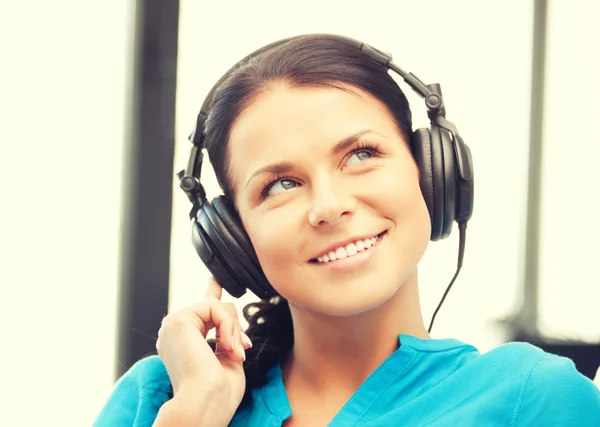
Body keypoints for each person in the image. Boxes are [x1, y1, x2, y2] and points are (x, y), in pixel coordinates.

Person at [94, 34, 600, 426]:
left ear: (430, 172)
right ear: (234, 239)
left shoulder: (533, 399)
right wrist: (197, 412)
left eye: (362, 154)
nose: (329, 207)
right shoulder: (162, 396)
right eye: (280, 184)